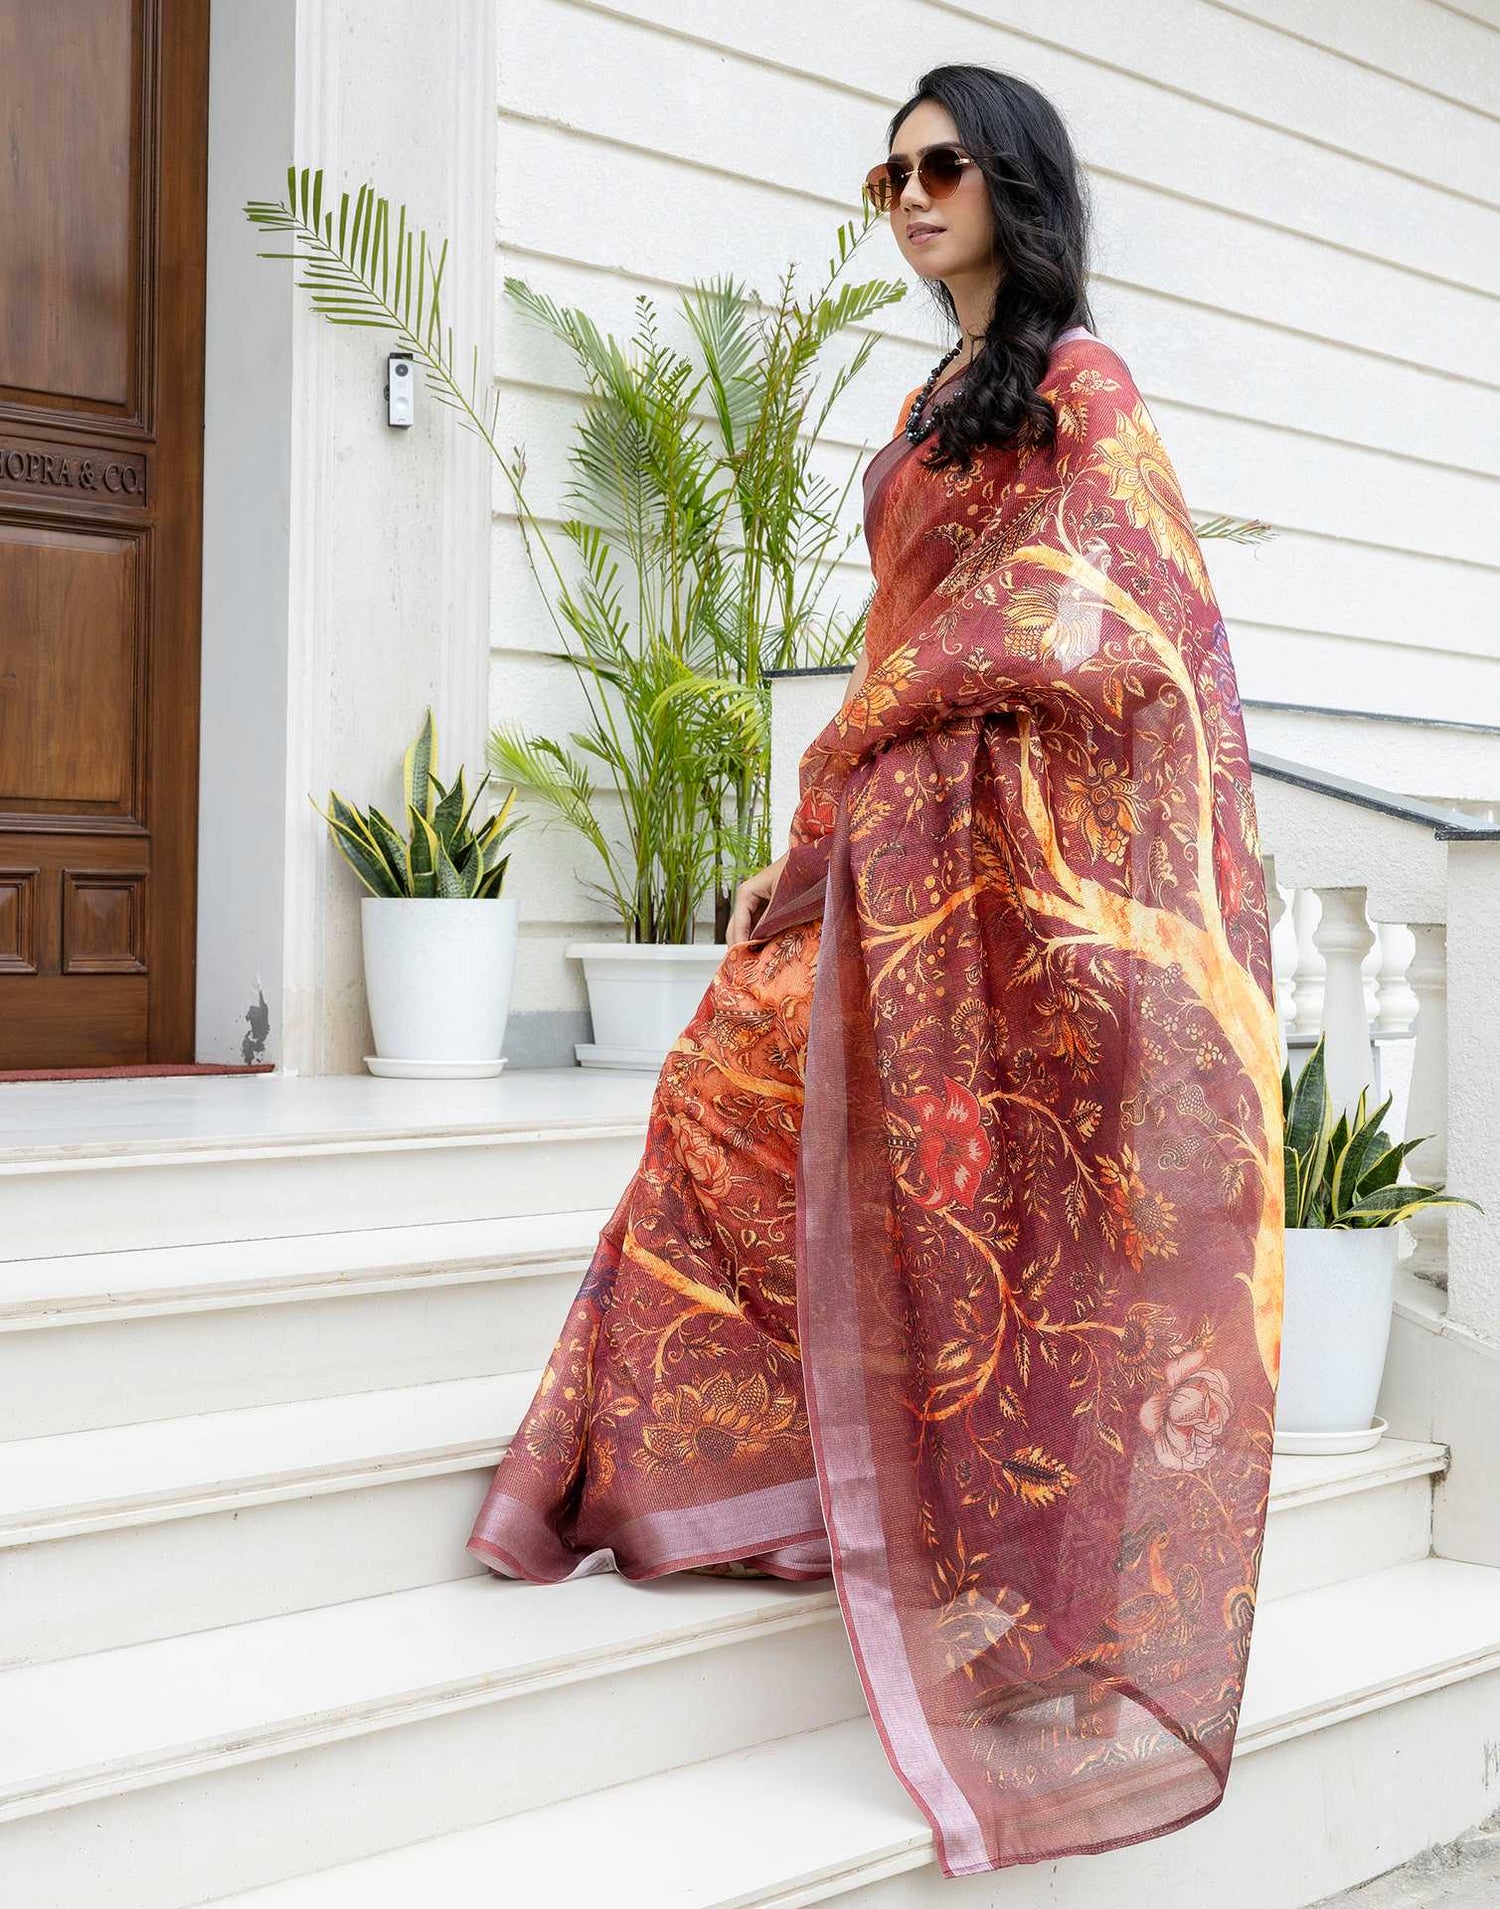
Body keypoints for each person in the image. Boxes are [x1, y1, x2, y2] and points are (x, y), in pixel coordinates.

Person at [467, 62, 1284, 1881]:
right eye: (888, 172)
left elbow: (1117, 602)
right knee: (722, 1089)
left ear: (1015, 185)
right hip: (892, 845)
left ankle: (943, 1531)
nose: (910, 196)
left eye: (943, 167)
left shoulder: (1085, 385)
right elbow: (899, 634)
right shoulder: (932, 396)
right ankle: (777, 1485)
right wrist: (821, 827)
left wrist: (886, 735)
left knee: (976, 1211)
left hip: (1004, 867)